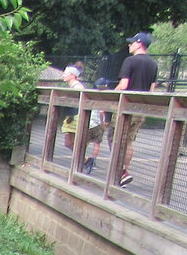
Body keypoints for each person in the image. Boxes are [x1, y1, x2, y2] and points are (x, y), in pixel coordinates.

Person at [114, 32, 158, 186]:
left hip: (126, 108)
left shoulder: (130, 61)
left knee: (115, 138)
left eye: (132, 42)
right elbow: (152, 89)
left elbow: (124, 85)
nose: (129, 45)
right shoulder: (153, 64)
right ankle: (124, 171)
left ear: (139, 44)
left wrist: (112, 94)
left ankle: (120, 172)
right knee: (129, 141)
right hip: (141, 109)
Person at [60, 65, 106, 173]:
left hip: (75, 116)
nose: (63, 75)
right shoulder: (72, 86)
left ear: (72, 75)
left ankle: (81, 163)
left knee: (74, 142)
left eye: (66, 74)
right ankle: (85, 161)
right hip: (70, 116)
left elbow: (80, 103)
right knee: (69, 142)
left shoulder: (78, 87)